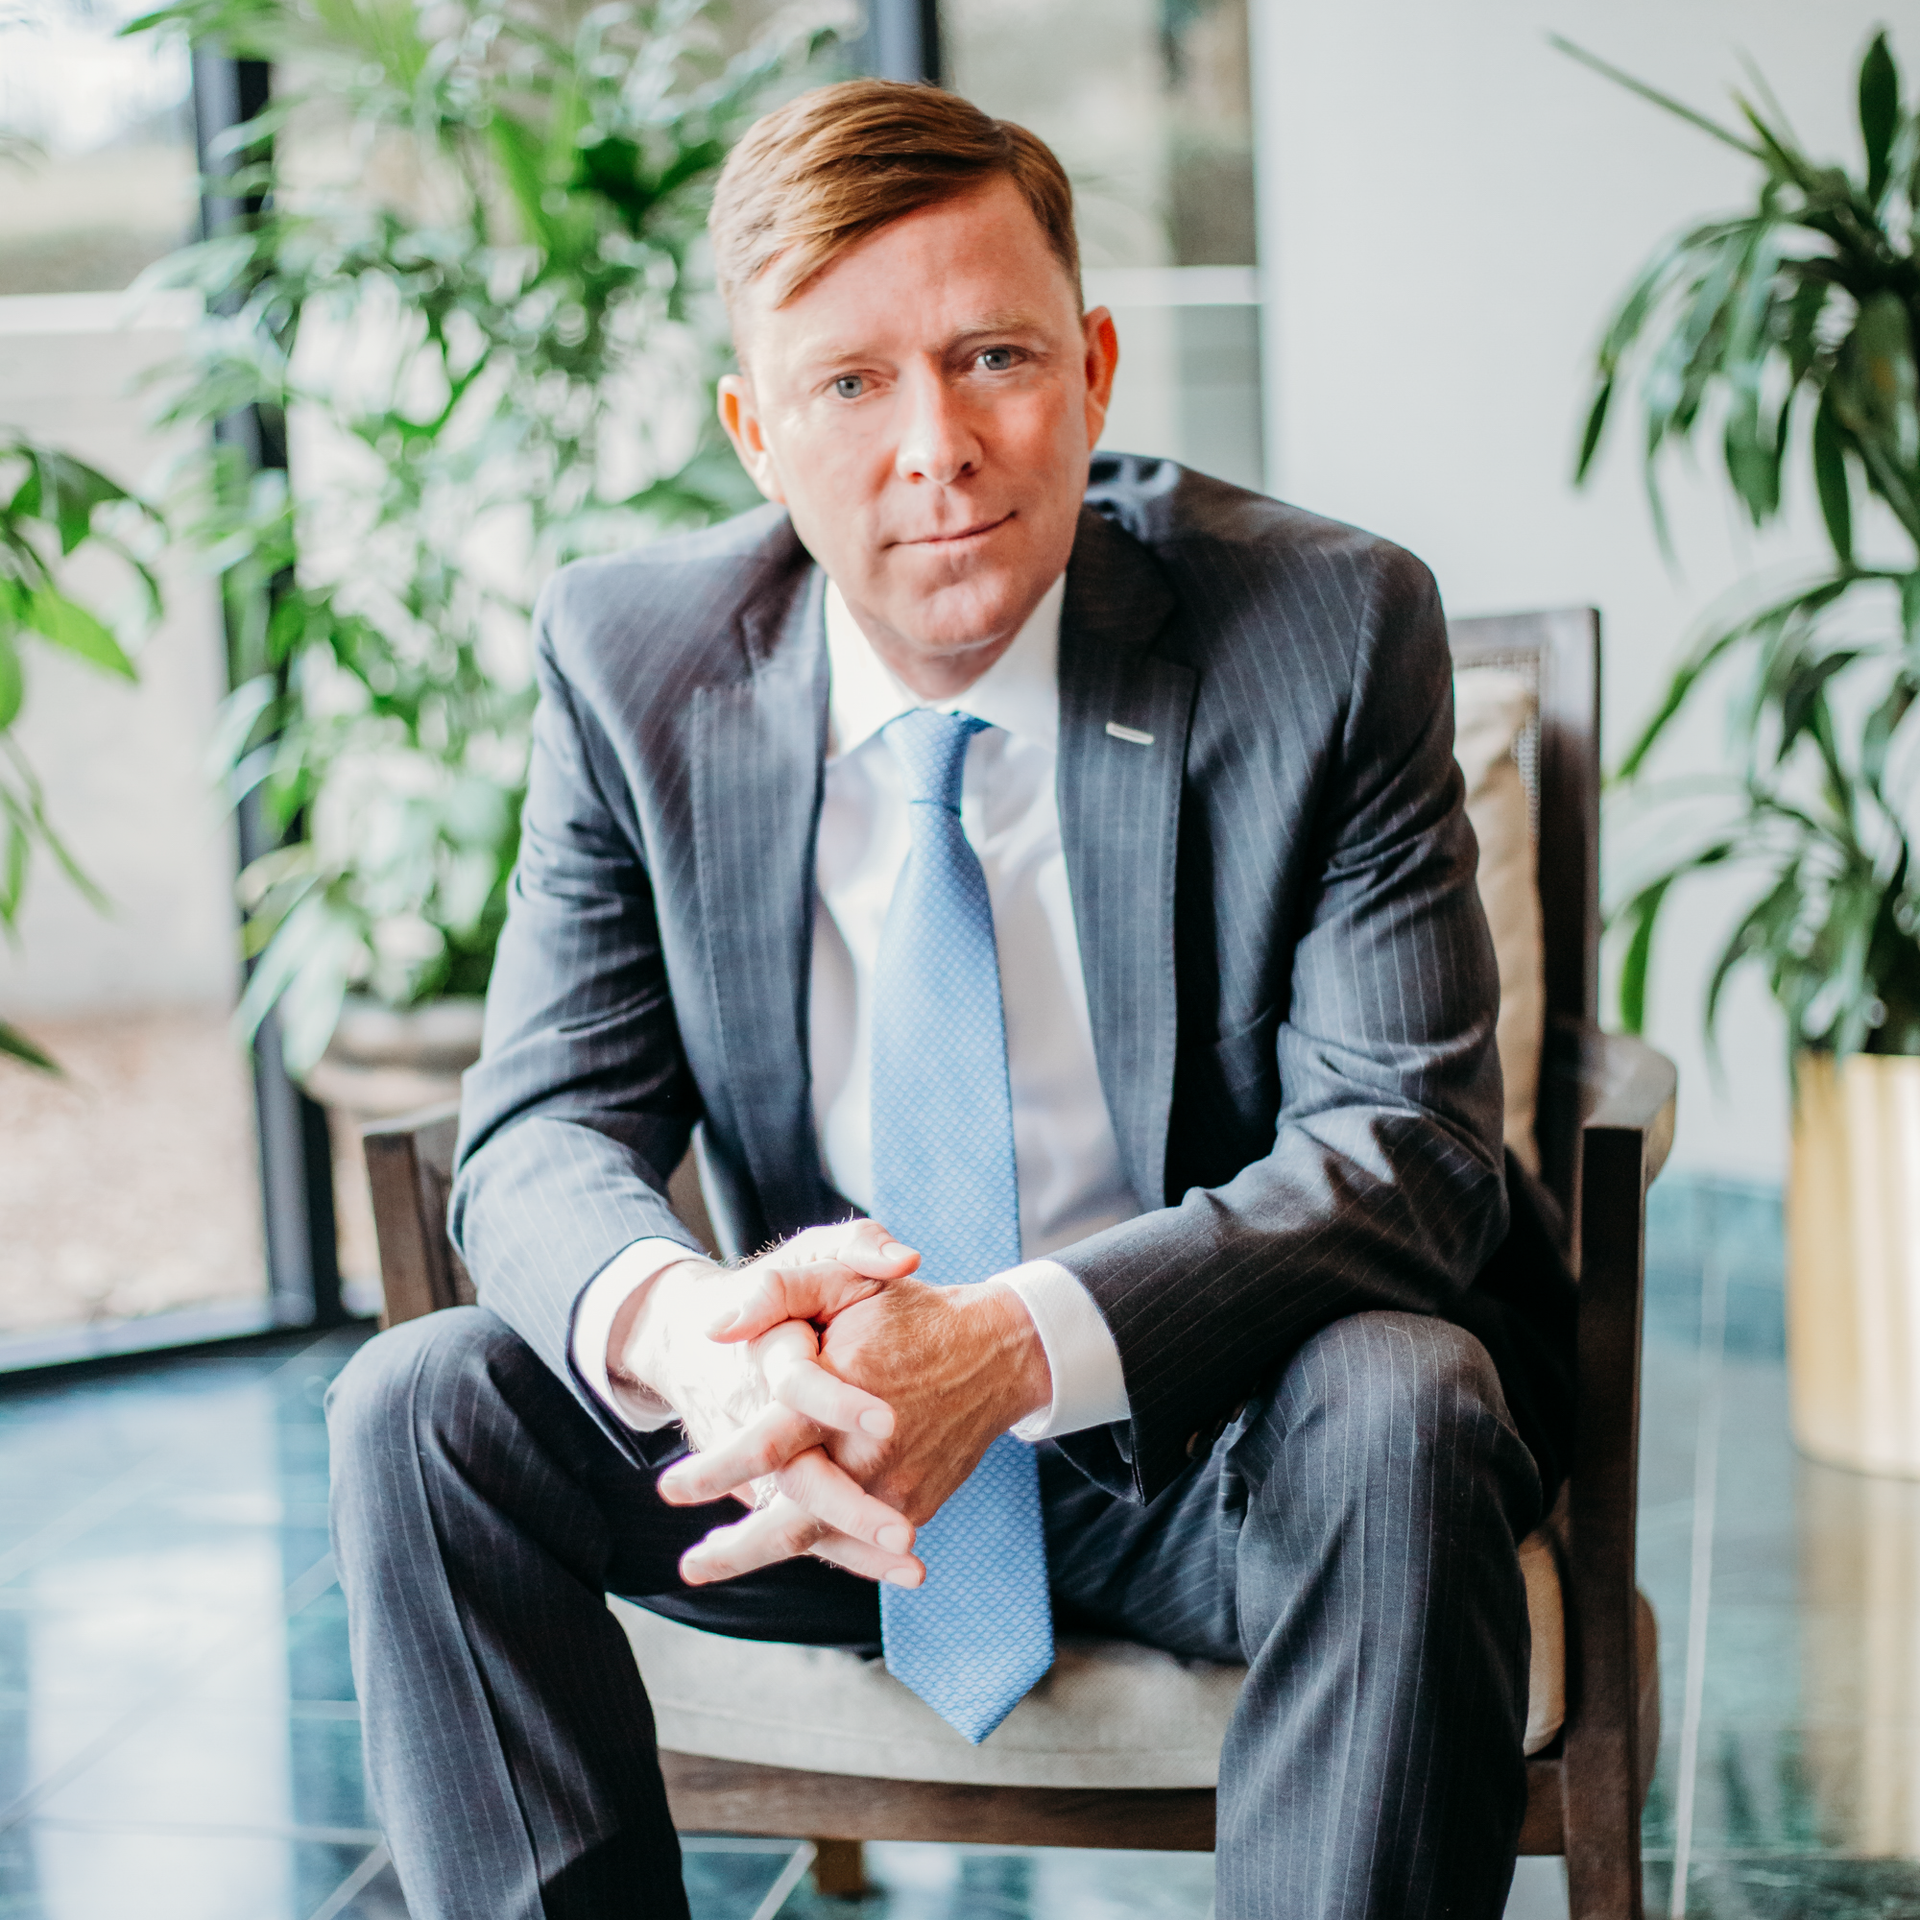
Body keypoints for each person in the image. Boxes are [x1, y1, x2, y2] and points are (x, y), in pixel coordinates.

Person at [327, 76, 1574, 1920]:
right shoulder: (635, 662)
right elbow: (536, 1130)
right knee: (418, 1408)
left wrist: (999, 1353)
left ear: (1096, 367)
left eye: (995, 356)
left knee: (1405, 1399)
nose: (940, 444)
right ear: (757, 431)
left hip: (1212, 1439)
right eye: (851, 384)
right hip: (814, 1463)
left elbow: (1405, 1152)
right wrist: (700, 1336)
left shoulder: (1326, 629)